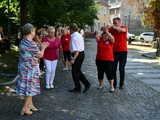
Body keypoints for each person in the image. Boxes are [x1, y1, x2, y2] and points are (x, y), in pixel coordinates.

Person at [16, 23, 49, 115]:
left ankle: (30, 105)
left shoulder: (23, 41)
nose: (35, 32)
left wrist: (38, 45)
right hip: (29, 69)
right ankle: (25, 108)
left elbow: (31, 52)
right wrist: (43, 48)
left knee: (29, 87)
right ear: (31, 32)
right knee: (30, 88)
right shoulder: (30, 43)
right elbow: (40, 55)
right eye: (34, 30)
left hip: (24, 68)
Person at [69, 23, 90, 93]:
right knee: (77, 71)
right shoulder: (78, 35)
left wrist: (73, 59)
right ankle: (83, 85)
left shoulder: (74, 37)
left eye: (69, 29)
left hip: (77, 55)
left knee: (75, 72)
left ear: (71, 29)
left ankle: (79, 87)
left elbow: (77, 51)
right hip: (80, 54)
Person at [109, 17, 128, 89]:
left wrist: (114, 27)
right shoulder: (112, 29)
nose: (114, 24)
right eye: (113, 23)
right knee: (113, 69)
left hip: (123, 52)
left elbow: (121, 30)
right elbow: (104, 31)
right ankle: (114, 84)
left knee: (121, 68)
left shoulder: (124, 27)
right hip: (114, 52)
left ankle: (121, 84)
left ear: (120, 22)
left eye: (116, 23)